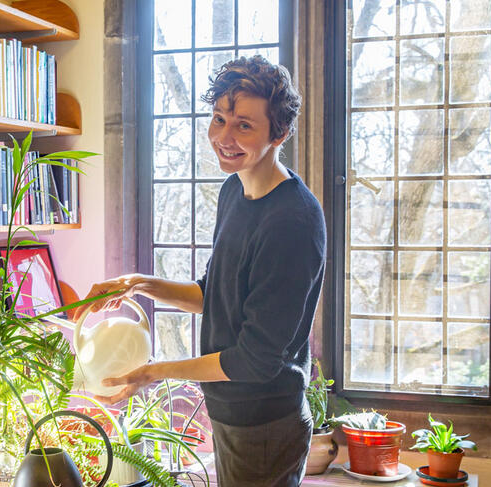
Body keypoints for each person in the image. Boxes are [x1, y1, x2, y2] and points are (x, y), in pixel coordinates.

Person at [85, 55, 327, 486]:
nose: (224, 138)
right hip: (232, 414)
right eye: (219, 119)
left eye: (244, 126)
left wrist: (154, 371)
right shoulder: (234, 191)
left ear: (280, 133)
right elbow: (215, 296)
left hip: (266, 425)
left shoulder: (293, 222)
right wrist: (138, 284)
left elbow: (255, 360)